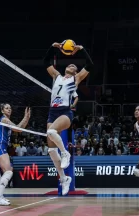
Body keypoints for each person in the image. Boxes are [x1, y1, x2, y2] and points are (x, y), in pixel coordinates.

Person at [43, 41, 93, 195]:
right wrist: (53, 47)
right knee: (51, 149)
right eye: (69, 65)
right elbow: (46, 61)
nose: (71, 66)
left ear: (76, 71)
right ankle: (64, 178)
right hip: (52, 111)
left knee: (51, 132)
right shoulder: (56, 76)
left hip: (65, 112)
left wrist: (81, 49)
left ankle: (65, 153)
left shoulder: (76, 79)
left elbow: (90, 65)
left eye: (73, 66)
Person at [0, 103, 30, 205]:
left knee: (8, 171)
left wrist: (26, 118)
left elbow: (20, 129)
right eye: (6, 108)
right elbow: (17, 129)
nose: (9, 109)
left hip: (2, 147)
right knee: (8, 172)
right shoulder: (4, 119)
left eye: (10, 108)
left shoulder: (6, 120)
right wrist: (25, 118)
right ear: (2, 111)